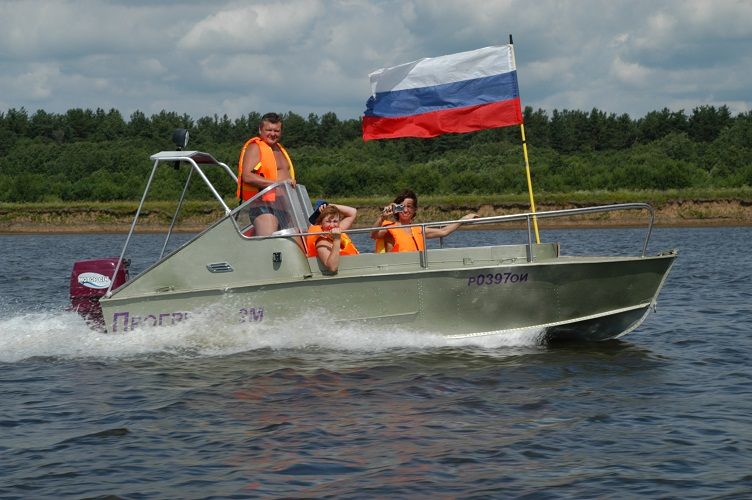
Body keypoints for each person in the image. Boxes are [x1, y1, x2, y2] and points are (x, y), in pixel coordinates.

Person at [236, 112, 296, 236]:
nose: (273, 134)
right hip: (264, 208)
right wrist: (277, 183)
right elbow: (247, 176)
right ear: (260, 130)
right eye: (269, 130)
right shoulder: (255, 147)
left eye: (277, 131)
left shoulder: (280, 150)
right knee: (270, 244)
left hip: (285, 209)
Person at [370, 189, 478, 252]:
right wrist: (382, 217)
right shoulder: (389, 228)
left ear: (414, 210)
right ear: (396, 209)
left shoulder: (419, 229)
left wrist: (463, 219)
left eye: (409, 207)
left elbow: (444, 231)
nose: (406, 210)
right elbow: (373, 235)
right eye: (402, 207)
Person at [305, 203, 359, 273]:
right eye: (328, 221)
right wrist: (337, 239)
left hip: (354, 268)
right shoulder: (321, 242)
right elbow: (332, 268)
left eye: (335, 221)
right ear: (321, 223)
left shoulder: (338, 228)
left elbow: (353, 212)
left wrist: (329, 205)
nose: (332, 225)